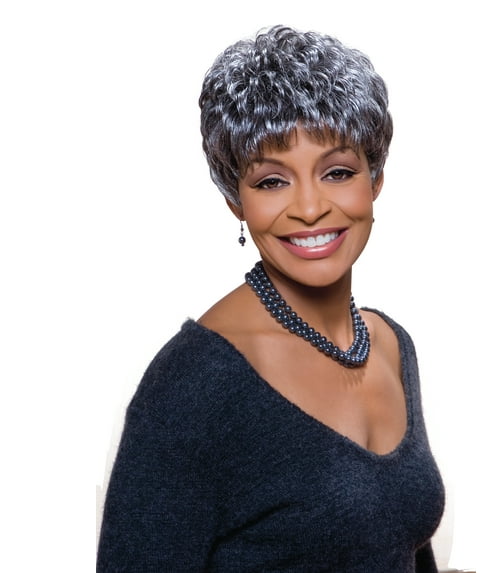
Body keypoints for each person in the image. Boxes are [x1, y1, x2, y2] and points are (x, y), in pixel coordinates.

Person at [97, 25, 445, 572]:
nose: (309, 208)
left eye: (337, 172)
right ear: (236, 200)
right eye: (271, 181)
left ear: (374, 179)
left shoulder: (391, 346)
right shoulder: (194, 385)